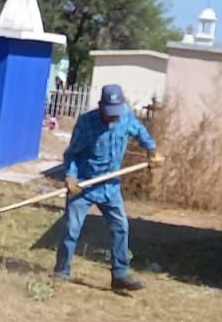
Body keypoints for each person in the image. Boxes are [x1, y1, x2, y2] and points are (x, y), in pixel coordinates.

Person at [55, 84, 162, 292]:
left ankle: (120, 275)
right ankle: (61, 271)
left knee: (120, 227)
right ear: (100, 106)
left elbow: (141, 133)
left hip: (110, 186)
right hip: (84, 185)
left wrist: (151, 149)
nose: (113, 118)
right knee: (71, 229)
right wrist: (70, 176)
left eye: (116, 113)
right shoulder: (86, 123)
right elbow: (72, 154)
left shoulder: (126, 118)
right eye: (109, 113)